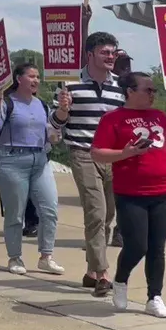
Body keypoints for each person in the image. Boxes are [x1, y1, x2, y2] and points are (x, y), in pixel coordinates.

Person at [91, 72, 166, 317]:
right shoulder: (113, 119)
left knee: (157, 248)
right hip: (130, 193)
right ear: (130, 91)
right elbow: (97, 153)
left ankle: (155, 297)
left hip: (162, 191)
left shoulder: (159, 117)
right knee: (137, 245)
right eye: (147, 90)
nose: (153, 95)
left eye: (154, 91)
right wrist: (126, 153)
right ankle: (120, 279)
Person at [50, 31, 125, 296]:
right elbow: (55, 124)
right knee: (96, 211)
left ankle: (91, 272)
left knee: (108, 214)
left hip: (113, 156)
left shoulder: (121, 87)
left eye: (113, 52)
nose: (110, 57)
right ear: (90, 54)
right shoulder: (69, 85)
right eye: (105, 52)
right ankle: (103, 275)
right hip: (84, 153)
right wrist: (63, 109)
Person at [0, 62, 64, 277]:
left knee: (49, 209)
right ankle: (15, 257)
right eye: (31, 76)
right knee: (15, 213)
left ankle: (46, 256)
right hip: (11, 160)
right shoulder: (7, 103)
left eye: (38, 77)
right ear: (18, 79)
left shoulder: (42, 105)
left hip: (40, 160)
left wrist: (56, 132)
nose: (36, 80)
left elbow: (51, 132)